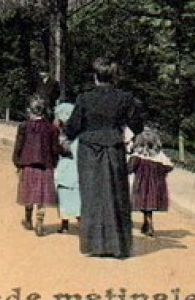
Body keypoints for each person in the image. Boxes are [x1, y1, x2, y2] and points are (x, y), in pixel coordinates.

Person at [62, 58, 145, 258]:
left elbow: (73, 126)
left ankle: (94, 245)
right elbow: (137, 125)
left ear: (95, 76)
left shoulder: (85, 98)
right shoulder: (125, 98)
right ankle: (118, 246)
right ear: (114, 76)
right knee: (115, 194)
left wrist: (65, 136)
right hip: (114, 149)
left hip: (89, 150)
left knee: (92, 195)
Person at [12, 96, 60, 235]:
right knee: (42, 195)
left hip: (28, 164)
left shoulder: (24, 126)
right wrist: (54, 162)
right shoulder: (51, 128)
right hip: (45, 165)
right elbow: (54, 148)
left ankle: (28, 219)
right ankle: (40, 222)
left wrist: (17, 162)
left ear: (29, 111)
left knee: (28, 192)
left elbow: (18, 146)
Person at [129, 123, 173, 237]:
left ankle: (148, 223)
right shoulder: (159, 156)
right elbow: (168, 167)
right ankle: (147, 222)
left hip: (141, 183)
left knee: (144, 204)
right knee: (150, 204)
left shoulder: (137, 156)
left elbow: (130, 168)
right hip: (156, 184)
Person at [53, 99, 81, 234]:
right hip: (76, 168)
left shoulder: (63, 134)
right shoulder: (80, 132)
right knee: (76, 194)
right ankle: (79, 220)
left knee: (64, 193)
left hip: (67, 166)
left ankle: (65, 223)